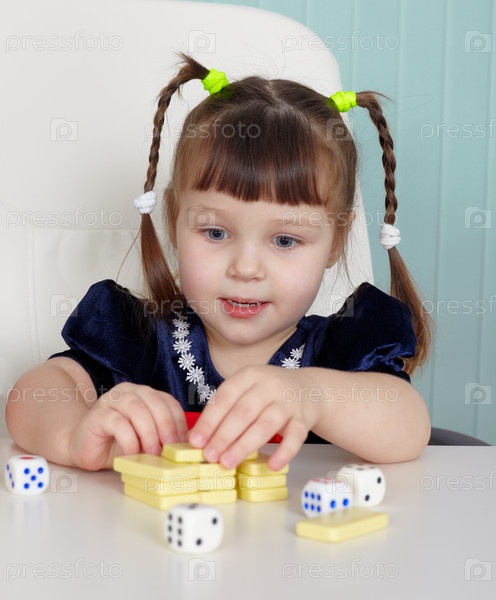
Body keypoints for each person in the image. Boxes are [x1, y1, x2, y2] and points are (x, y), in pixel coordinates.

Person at [6, 54, 432, 472]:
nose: (245, 268)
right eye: (215, 233)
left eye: (285, 240)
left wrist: (312, 395)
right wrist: (75, 435)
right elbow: (34, 394)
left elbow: (409, 427)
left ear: (336, 242)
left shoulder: (339, 352)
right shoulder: (140, 339)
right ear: (174, 220)